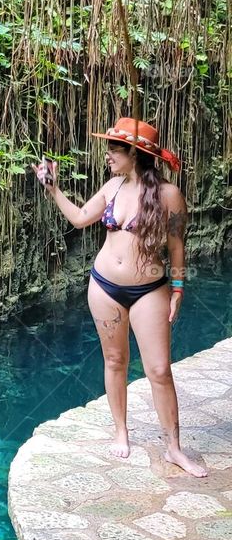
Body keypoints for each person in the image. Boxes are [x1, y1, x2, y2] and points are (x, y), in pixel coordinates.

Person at [32, 117, 206, 479]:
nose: (108, 155)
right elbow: (80, 218)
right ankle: (120, 431)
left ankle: (174, 448)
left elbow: (176, 246)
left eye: (114, 149)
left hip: (150, 290)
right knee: (115, 361)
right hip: (104, 286)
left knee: (158, 369)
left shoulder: (169, 195)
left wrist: (178, 288)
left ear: (135, 153)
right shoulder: (111, 187)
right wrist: (53, 190)